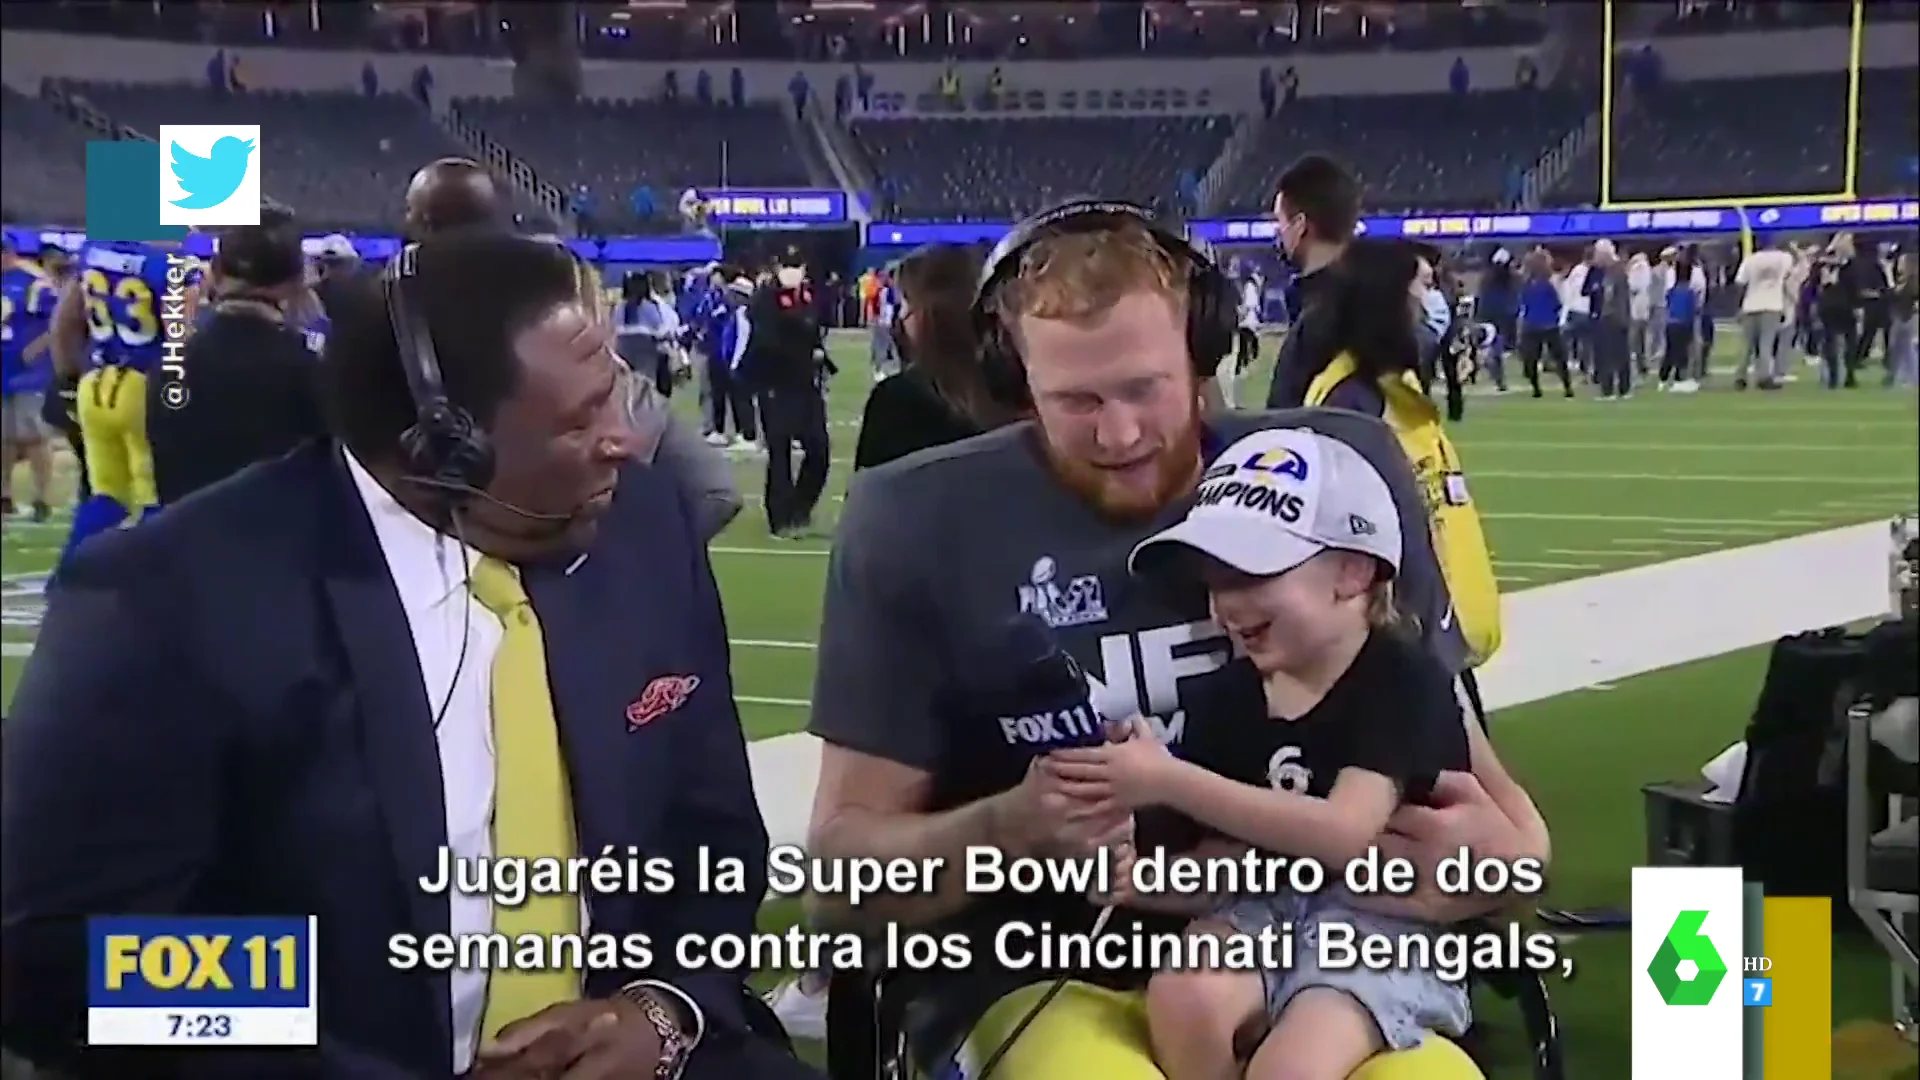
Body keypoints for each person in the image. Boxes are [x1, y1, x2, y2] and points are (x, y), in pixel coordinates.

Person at [0, 232, 817, 1080]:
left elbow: (712, 835)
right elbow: (72, 965)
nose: (623, 439)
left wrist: (659, 1011)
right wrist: (347, 1044)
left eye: (611, 396)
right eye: (579, 421)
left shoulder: (644, 530)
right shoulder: (172, 602)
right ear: (439, 448)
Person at [805, 201, 1546, 1080]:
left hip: (1331, 955)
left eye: (1144, 388)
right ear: (1012, 378)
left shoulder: (1331, 478)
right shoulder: (916, 521)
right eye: (1075, 401)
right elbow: (841, 890)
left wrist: (1499, 867)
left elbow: (1489, 813)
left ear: (1204, 351)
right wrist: (1012, 826)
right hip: (1050, 966)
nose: (1117, 436)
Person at [1067, 428, 1473, 1080]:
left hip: (1381, 920)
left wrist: (1169, 779)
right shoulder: (1226, 697)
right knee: (1183, 994)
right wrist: (1134, 877)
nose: (1226, 604)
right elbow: (1224, 866)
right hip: (1258, 906)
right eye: (1214, 580)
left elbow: (1344, 835)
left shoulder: (1403, 680)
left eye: (1250, 573)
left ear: (1353, 571)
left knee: (1293, 1067)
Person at [147, 208, 328, 505]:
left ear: (215, 272)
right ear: (298, 280)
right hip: (276, 542)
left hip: (190, 544)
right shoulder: (311, 370)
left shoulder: (169, 368)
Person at [47, 233, 180, 571]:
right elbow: (181, 334)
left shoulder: (95, 251)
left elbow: (64, 321)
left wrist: (66, 381)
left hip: (95, 383)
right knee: (154, 492)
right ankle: (157, 578)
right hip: (144, 384)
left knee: (105, 493)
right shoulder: (171, 265)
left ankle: (72, 576)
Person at [851, 243, 1013, 470]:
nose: (902, 316)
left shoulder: (900, 399)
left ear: (926, 313)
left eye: (906, 303)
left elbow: (870, 499)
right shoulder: (1018, 384)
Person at [1265, 154, 1360, 409]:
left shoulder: (1319, 323)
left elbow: (1285, 428)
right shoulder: (1382, 304)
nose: (1279, 234)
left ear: (1300, 226)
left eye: (1280, 222)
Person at [746, 263, 832, 539]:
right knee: (780, 452)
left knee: (819, 449)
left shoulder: (806, 297)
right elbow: (765, 337)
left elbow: (816, 326)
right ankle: (780, 517)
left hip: (805, 382)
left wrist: (817, 350)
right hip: (775, 384)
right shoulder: (765, 300)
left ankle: (799, 508)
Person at [1, 235, 59, 521]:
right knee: (5, 439)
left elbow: (57, 320)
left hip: (27, 372)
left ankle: (42, 497)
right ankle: (5, 494)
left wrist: (35, 350)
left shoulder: (33, 282)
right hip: (4, 366)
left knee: (33, 436)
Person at [1733, 234, 1792, 391]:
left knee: (1747, 345)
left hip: (1751, 305)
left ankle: (1740, 377)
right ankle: (1764, 376)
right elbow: (1788, 276)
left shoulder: (1751, 260)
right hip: (1772, 305)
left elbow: (1740, 283)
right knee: (1766, 343)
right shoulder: (1784, 258)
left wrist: (1740, 304)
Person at [1514, 249, 1572, 399]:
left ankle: (1536, 388)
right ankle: (1567, 387)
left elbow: (1523, 304)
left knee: (1531, 358)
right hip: (1549, 324)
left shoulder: (1527, 285)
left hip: (1532, 325)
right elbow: (1557, 303)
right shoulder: (1548, 284)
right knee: (1559, 357)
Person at [1813, 233, 1862, 389]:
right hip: (1842, 305)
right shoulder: (1851, 265)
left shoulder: (1823, 264)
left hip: (1829, 305)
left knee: (1832, 341)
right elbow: (1855, 286)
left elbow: (1813, 284)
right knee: (1847, 342)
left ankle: (1836, 377)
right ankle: (1847, 375)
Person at [1659, 249, 1703, 392]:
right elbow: (1696, 304)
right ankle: (1679, 379)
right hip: (1684, 323)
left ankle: (1663, 378)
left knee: (1670, 350)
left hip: (1671, 322)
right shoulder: (1690, 292)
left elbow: (1667, 300)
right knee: (1683, 351)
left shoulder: (1672, 290)